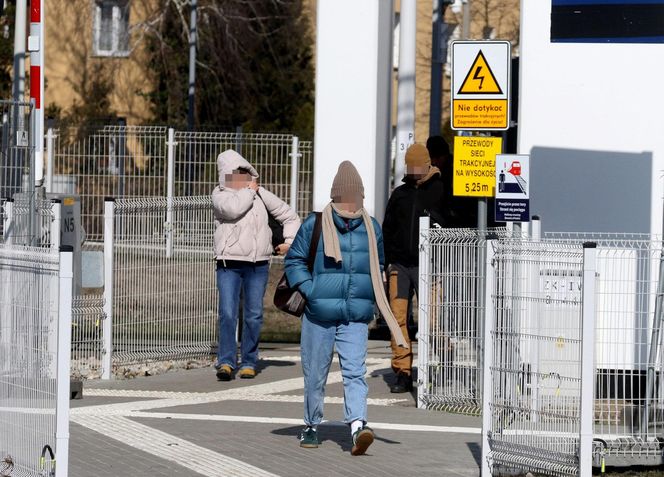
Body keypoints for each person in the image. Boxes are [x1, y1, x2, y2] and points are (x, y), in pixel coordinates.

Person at [285, 161, 407, 455]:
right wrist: (312, 292)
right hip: (319, 314)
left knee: (355, 372)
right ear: (336, 195)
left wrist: (371, 301)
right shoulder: (315, 224)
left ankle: (357, 427)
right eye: (347, 196)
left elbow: (376, 266)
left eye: (357, 197)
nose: (352, 203)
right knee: (316, 372)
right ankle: (311, 425)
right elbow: (294, 261)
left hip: (355, 314)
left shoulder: (371, 226)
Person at [212, 149, 300, 381]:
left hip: (258, 263)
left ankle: (250, 360)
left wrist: (289, 242)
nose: (241, 176)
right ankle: (226, 361)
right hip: (228, 263)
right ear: (225, 174)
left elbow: (289, 216)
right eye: (236, 172)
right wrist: (250, 191)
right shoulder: (219, 195)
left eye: (244, 171)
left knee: (253, 314)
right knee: (228, 313)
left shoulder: (260, 193)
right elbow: (233, 210)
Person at [382, 143, 448, 393]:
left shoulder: (440, 190)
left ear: (428, 164)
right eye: (411, 167)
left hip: (430, 267)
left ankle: (445, 359)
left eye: (418, 166)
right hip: (399, 266)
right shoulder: (399, 194)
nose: (414, 171)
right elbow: (387, 229)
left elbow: (449, 223)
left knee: (433, 321)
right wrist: (385, 263)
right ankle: (402, 371)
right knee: (397, 320)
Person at [426, 134, 478, 228]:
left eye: (436, 159)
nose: (433, 163)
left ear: (443, 157)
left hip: (458, 221)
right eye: (431, 159)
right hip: (448, 219)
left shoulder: (457, 171)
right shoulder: (436, 172)